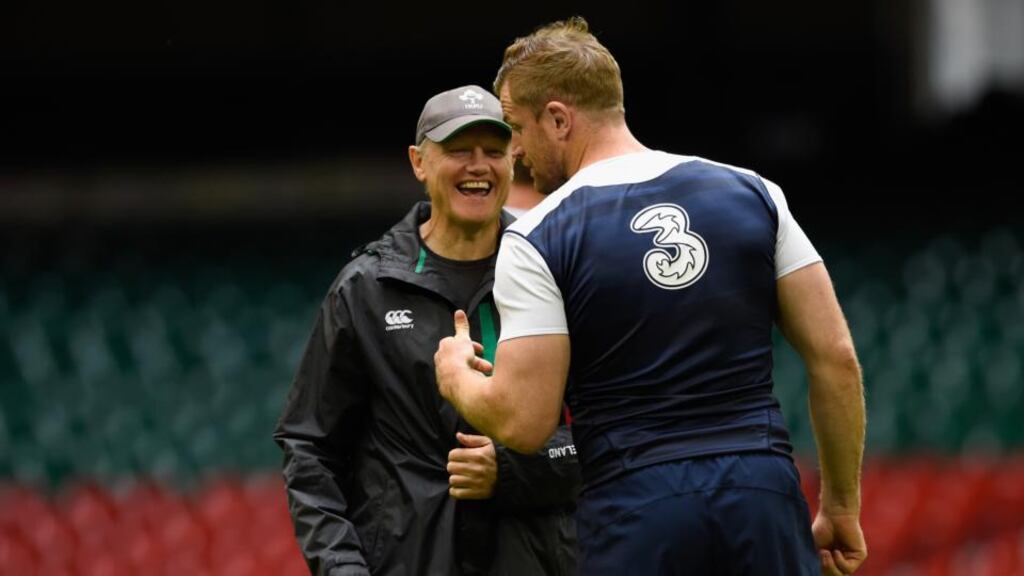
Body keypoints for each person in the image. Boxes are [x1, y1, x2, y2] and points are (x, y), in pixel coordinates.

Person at [434, 18, 867, 576]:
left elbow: (525, 421)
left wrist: (456, 377)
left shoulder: (538, 234)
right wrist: (839, 506)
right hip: (762, 497)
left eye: (516, 127)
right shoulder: (755, 193)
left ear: (559, 119)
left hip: (636, 510)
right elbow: (836, 359)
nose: (514, 152)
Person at [275, 85, 580, 576]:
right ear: (419, 162)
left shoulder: (556, 272)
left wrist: (513, 469)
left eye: (493, 151)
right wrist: (342, 569)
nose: (478, 165)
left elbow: (604, 432)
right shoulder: (366, 289)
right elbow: (310, 447)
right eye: (459, 150)